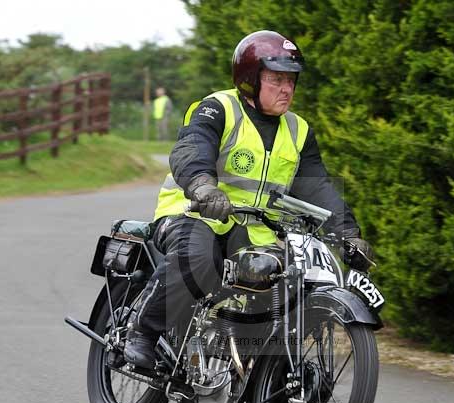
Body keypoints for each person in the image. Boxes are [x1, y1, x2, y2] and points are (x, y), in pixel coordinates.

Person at [122, 30, 374, 370]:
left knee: (294, 280)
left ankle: (257, 372)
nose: (287, 88)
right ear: (250, 79)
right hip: (195, 214)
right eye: (277, 79)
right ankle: (143, 333)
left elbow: (318, 187)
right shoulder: (219, 109)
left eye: (291, 80)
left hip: (256, 234)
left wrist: (348, 234)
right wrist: (203, 187)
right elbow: (192, 148)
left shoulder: (298, 131)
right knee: (198, 257)